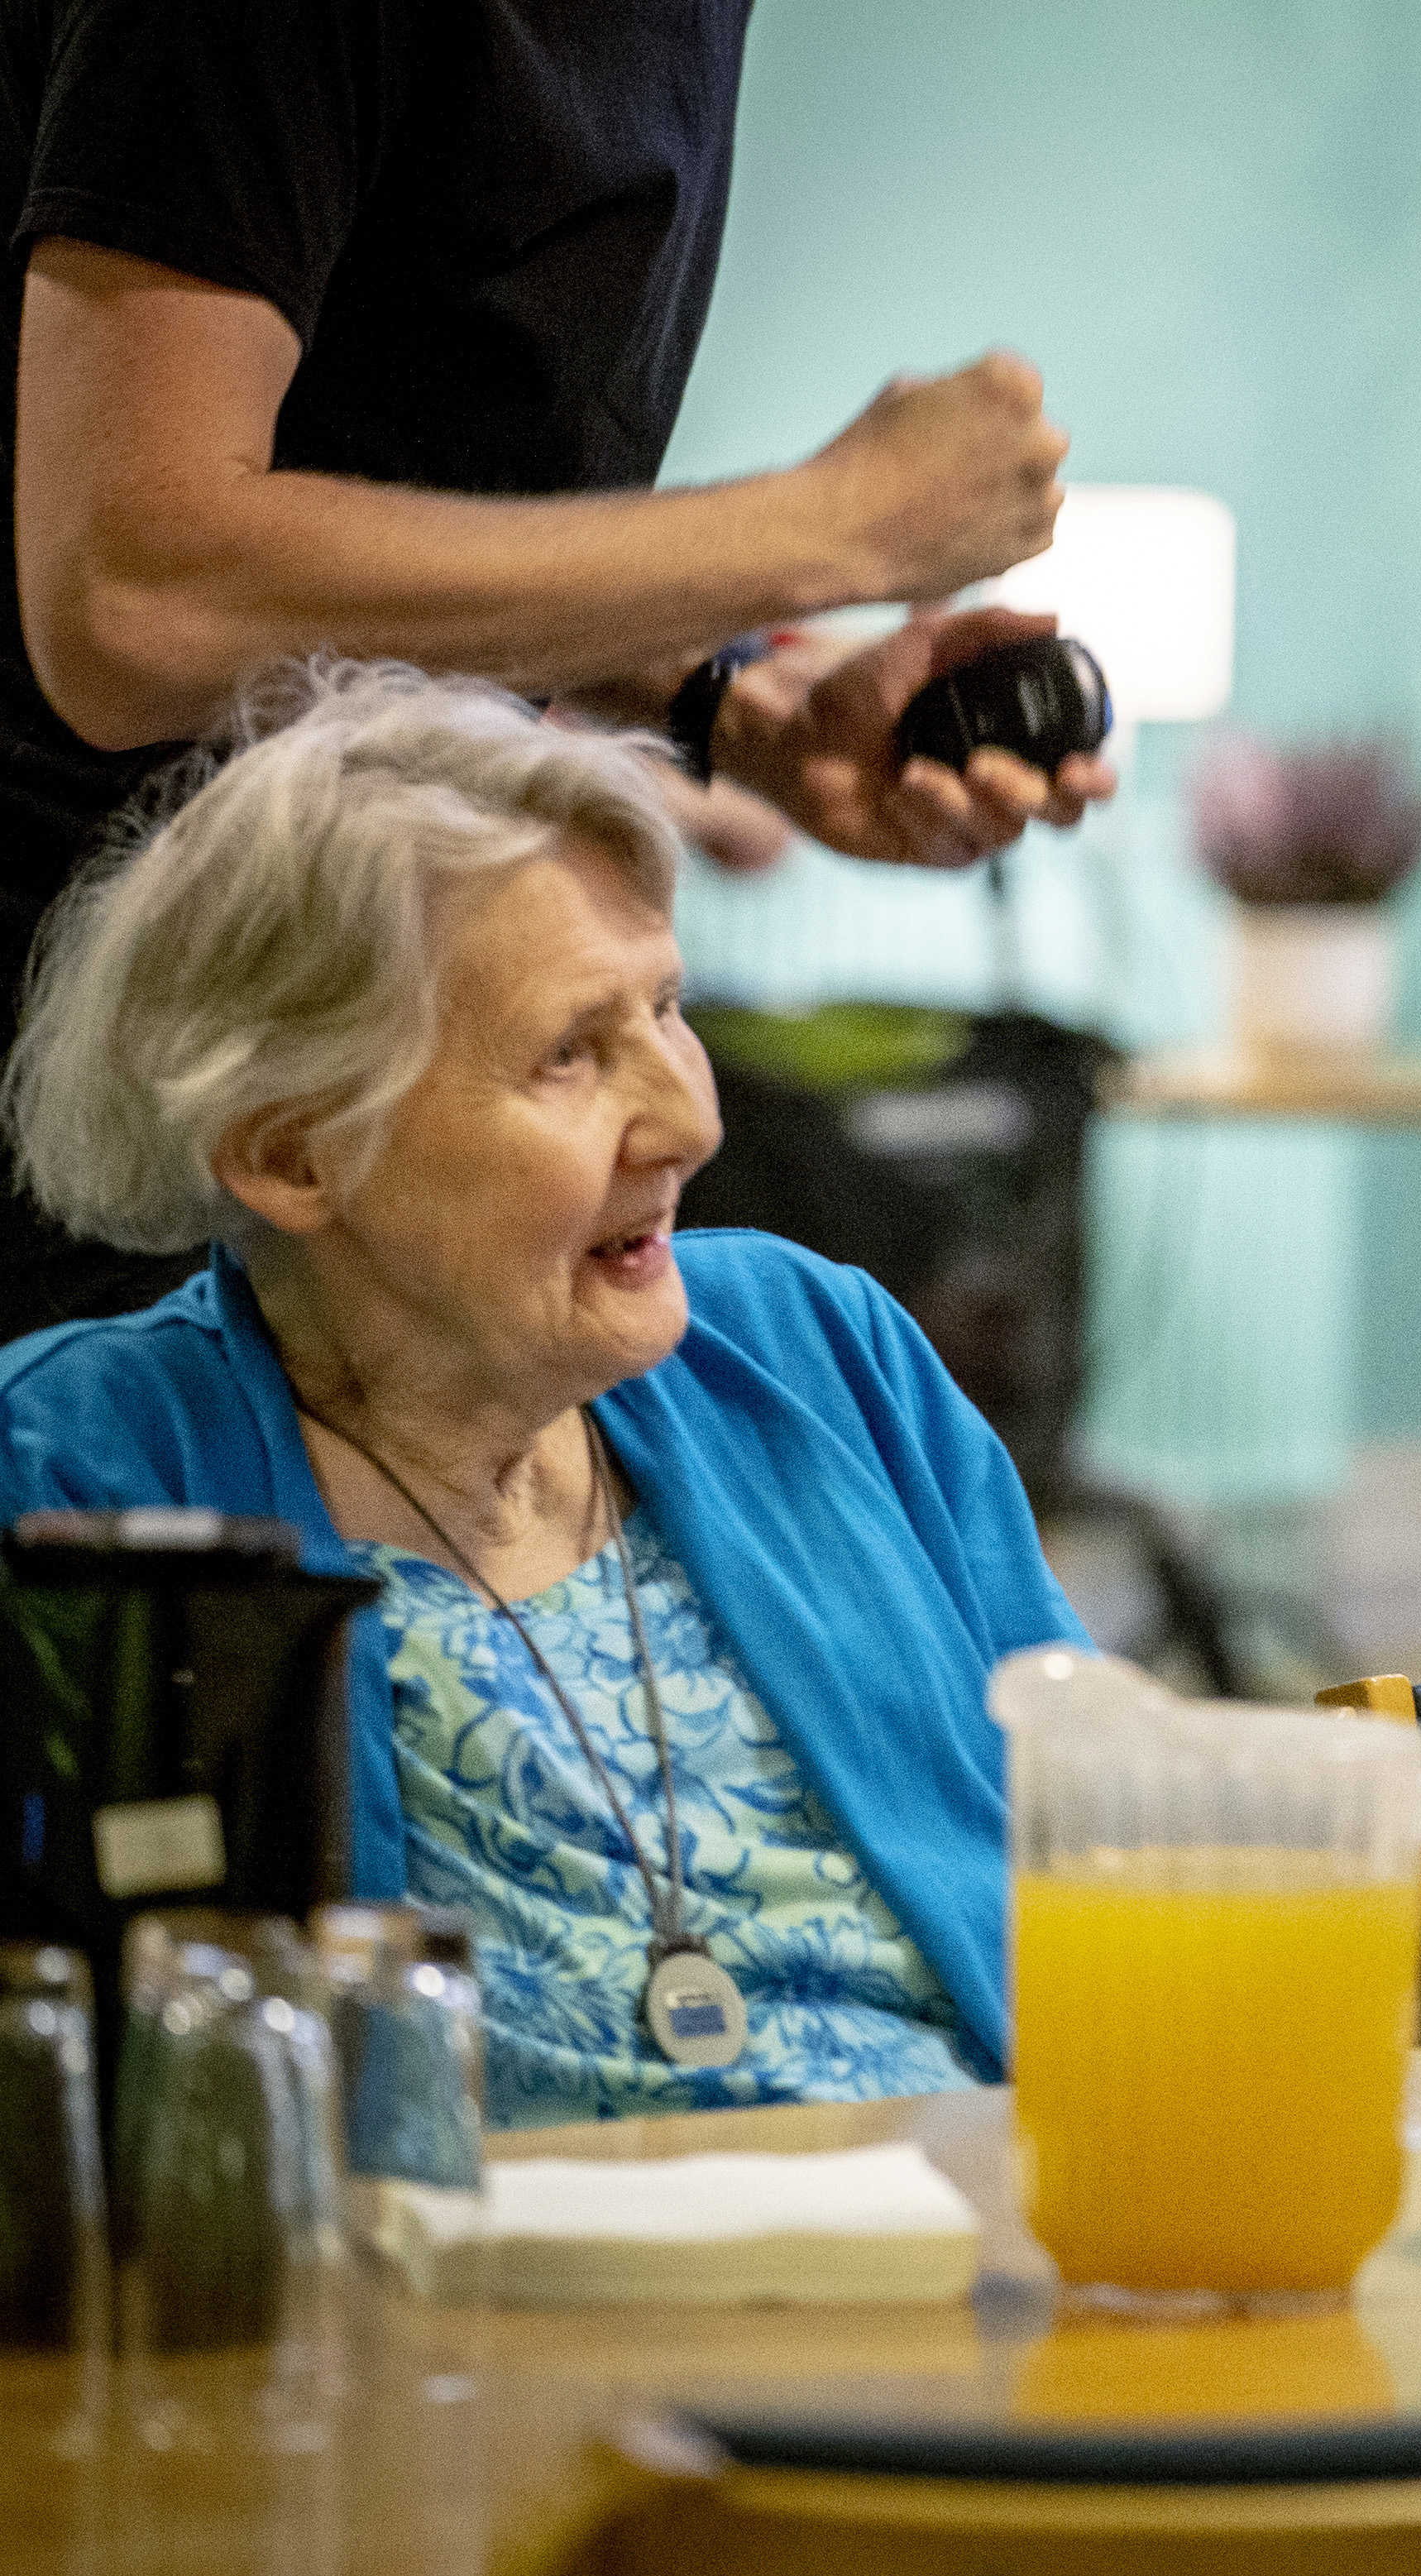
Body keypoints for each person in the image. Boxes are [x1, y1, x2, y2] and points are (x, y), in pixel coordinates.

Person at [0, 667, 1079, 2125]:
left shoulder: (822, 1348)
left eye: (668, 1007)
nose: (692, 1118)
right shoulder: (72, 1480)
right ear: (298, 1153)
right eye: (569, 1053)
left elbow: (1099, 1832)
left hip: (993, 2263)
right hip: (470, 2329)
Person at [0, 0, 1118, 1333]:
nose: (687, 1122)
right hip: (76, 1064)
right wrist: (827, 526)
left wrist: (737, 703)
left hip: (316, 1029)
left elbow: (395, 465)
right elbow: (130, 593)